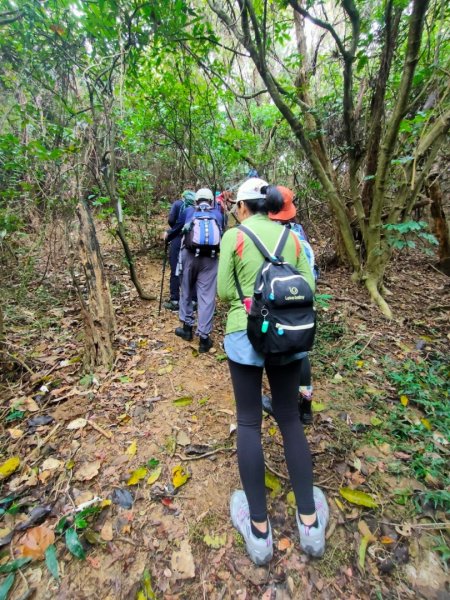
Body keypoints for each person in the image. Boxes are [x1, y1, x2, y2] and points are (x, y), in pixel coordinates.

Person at [217, 177, 329, 565]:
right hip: (287, 339)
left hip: (243, 334)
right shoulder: (294, 238)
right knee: (289, 421)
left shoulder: (235, 237)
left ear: (245, 207)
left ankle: (260, 534)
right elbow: (309, 286)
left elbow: (223, 293)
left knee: (248, 422)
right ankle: (310, 526)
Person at [262, 185, 318, 425]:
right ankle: (306, 405)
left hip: (279, 303)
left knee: (279, 349)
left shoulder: (270, 235)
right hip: (303, 301)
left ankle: (281, 402)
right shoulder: (299, 232)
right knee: (300, 350)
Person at [175, 188, 225, 353]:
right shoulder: (218, 215)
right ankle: (204, 338)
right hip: (210, 260)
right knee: (206, 297)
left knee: (187, 291)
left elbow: (178, 229)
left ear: (196, 201)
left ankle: (187, 329)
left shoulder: (189, 211)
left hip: (189, 256)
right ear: (211, 202)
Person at [163, 190, 196, 311]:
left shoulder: (177, 204)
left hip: (177, 238)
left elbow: (171, 220)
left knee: (175, 268)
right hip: (193, 240)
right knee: (192, 270)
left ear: (182, 196)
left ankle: (175, 300)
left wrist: (171, 232)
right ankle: (193, 301)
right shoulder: (195, 208)